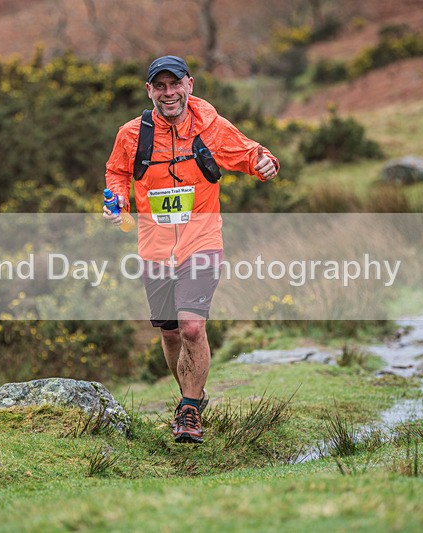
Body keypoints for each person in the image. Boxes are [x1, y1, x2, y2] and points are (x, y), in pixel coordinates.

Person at [103, 55, 278, 443]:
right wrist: (117, 202)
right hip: (154, 245)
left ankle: (189, 411)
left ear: (189, 85)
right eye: (160, 86)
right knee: (169, 334)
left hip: (202, 239)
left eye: (175, 84)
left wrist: (266, 163)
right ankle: (190, 400)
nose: (169, 93)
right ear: (149, 90)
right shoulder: (132, 134)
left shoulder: (211, 127)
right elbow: (116, 172)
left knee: (192, 327)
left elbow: (249, 152)